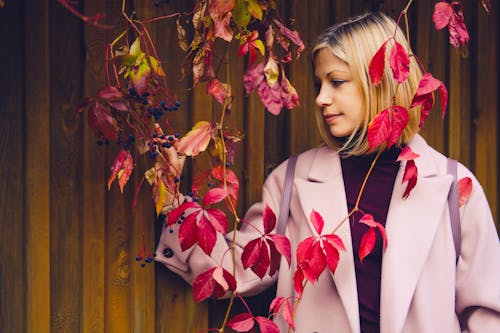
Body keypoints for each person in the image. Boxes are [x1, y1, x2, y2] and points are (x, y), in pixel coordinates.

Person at [155, 12, 500, 333]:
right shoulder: (293, 180)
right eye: (320, 83)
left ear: (378, 81)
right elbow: (236, 270)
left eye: (337, 82)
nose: (320, 98)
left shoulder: (454, 187)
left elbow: (488, 312)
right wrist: (172, 201)